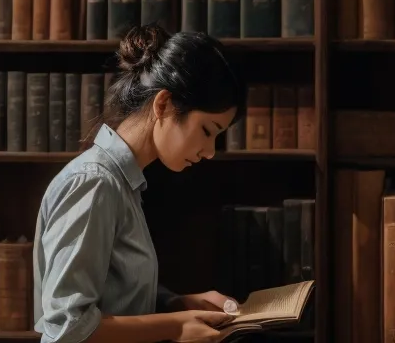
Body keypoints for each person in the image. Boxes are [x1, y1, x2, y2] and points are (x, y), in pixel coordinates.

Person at [33, 25, 246, 343]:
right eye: (207, 130)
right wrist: (175, 326)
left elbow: (113, 290)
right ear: (164, 105)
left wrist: (175, 304)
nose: (210, 151)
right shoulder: (95, 183)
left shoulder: (123, 183)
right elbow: (67, 328)